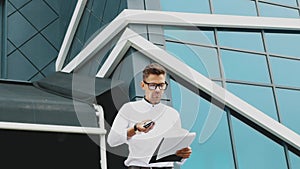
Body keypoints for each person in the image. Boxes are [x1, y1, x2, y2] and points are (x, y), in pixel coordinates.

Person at [107, 63, 192, 169]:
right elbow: (112, 140)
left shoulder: (173, 114)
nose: (157, 90)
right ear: (143, 85)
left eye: (161, 85)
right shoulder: (129, 109)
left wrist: (184, 154)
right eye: (152, 85)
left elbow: (176, 149)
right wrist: (135, 129)